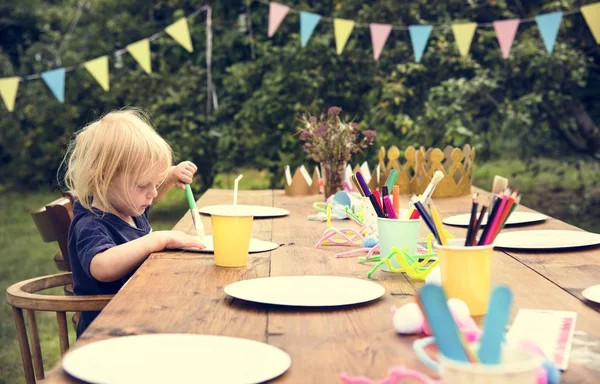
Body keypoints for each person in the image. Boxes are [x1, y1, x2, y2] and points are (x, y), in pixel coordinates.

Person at [62, 108, 205, 337]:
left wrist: (169, 176)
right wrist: (157, 239)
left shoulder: (128, 208)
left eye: (155, 183)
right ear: (103, 178)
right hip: (107, 333)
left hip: (139, 318)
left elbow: (148, 194)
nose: (153, 194)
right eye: (143, 185)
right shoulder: (91, 223)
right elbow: (102, 266)